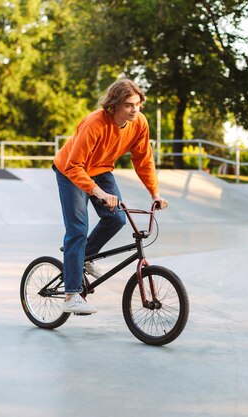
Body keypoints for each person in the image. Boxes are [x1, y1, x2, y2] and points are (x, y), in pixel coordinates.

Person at [52, 79, 168, 314]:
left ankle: (84, 256)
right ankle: (71, 296)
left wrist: (154, 193)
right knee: (77, 230)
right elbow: (74, 165)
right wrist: (99, 192)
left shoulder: (139, 123)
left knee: (116, 218)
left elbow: (143, 160)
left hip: (102, 168)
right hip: (70, 171)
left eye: (137, 104)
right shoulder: (95, 123)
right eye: (128, 105)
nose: (135, 109)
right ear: (114, 105)